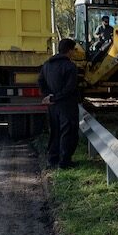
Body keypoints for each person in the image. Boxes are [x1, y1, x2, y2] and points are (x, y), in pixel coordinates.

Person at [38, 38, 79, 169]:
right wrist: (55, 97)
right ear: (70, 51)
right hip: (67, 105)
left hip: (52, 106)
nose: (74, 53)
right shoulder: (70, 67)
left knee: (54, 131)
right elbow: (70, 88)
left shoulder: (47, 65)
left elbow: (40, 82)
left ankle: (52, 159)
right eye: (74, 50)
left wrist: (48, 96)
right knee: (68, 132)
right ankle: (64, 162)